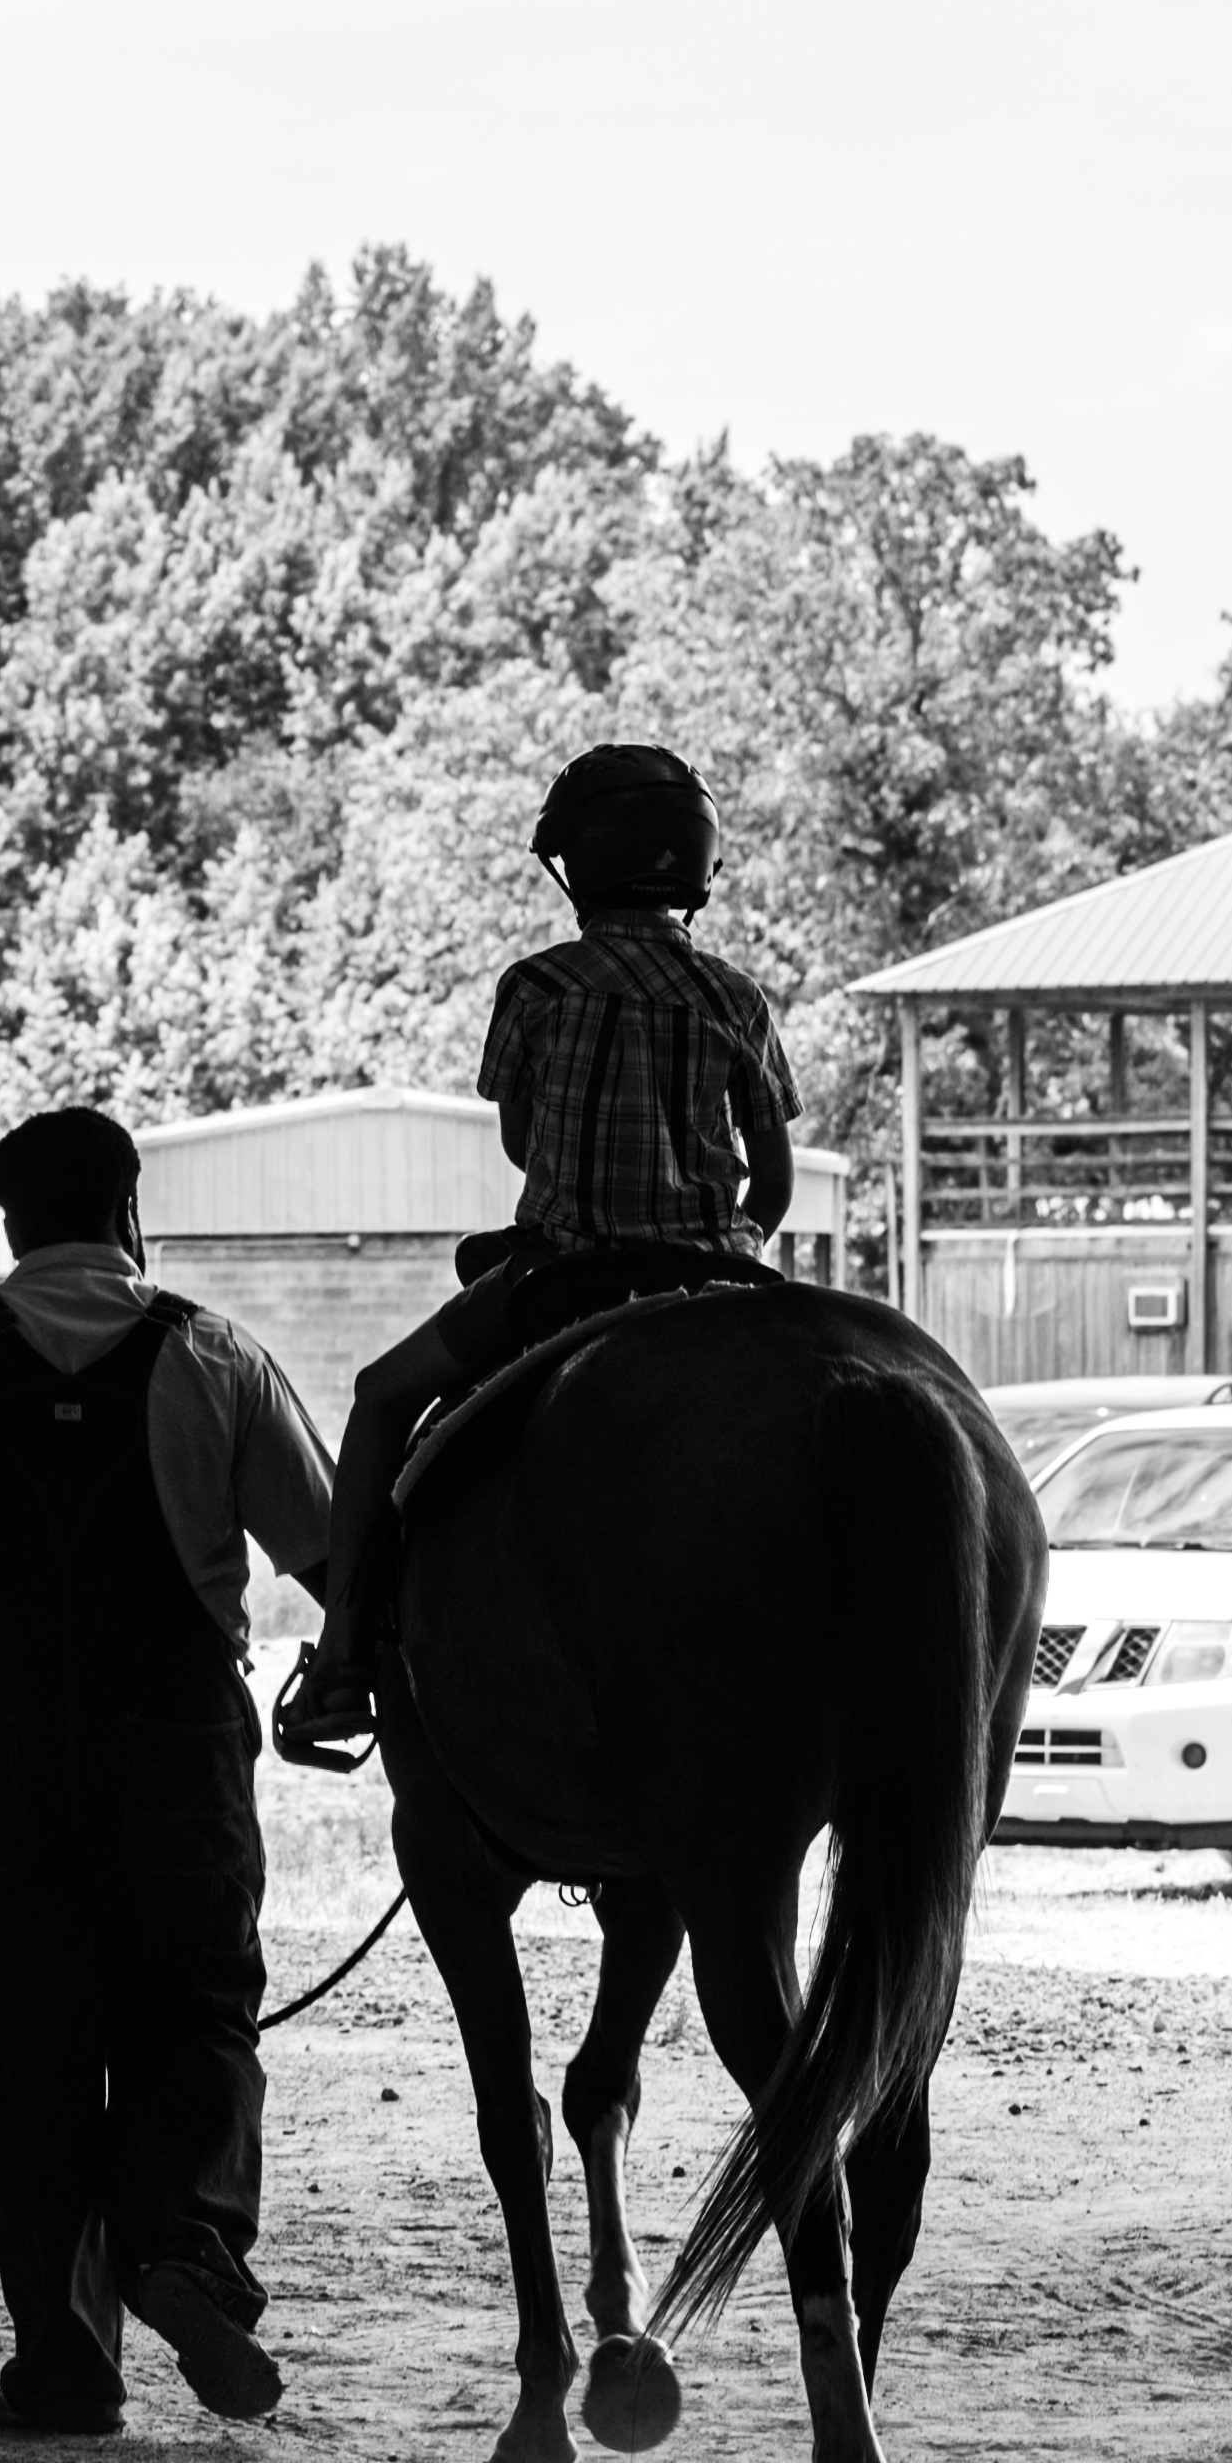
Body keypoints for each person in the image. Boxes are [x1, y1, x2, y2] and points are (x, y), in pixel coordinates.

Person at [0, 1107, 334, 2436]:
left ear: (7, 1222)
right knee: (197, 2008)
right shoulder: (218, 1357)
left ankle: (64, 2359)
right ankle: (185, 2248)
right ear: (130, 1208)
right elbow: (338, 1569)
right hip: (175, 1745)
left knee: (18, 2037)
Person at [272, 741, 798, 1766]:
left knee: (382, 1397)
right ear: (698, 866)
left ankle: (340, 1659)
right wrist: (725, 1242)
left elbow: (521, 1141)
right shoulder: (737, 997)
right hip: (718, 1282)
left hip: (563, 1279)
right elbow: (771, 1183)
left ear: (578, 867)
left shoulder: (539, 986)